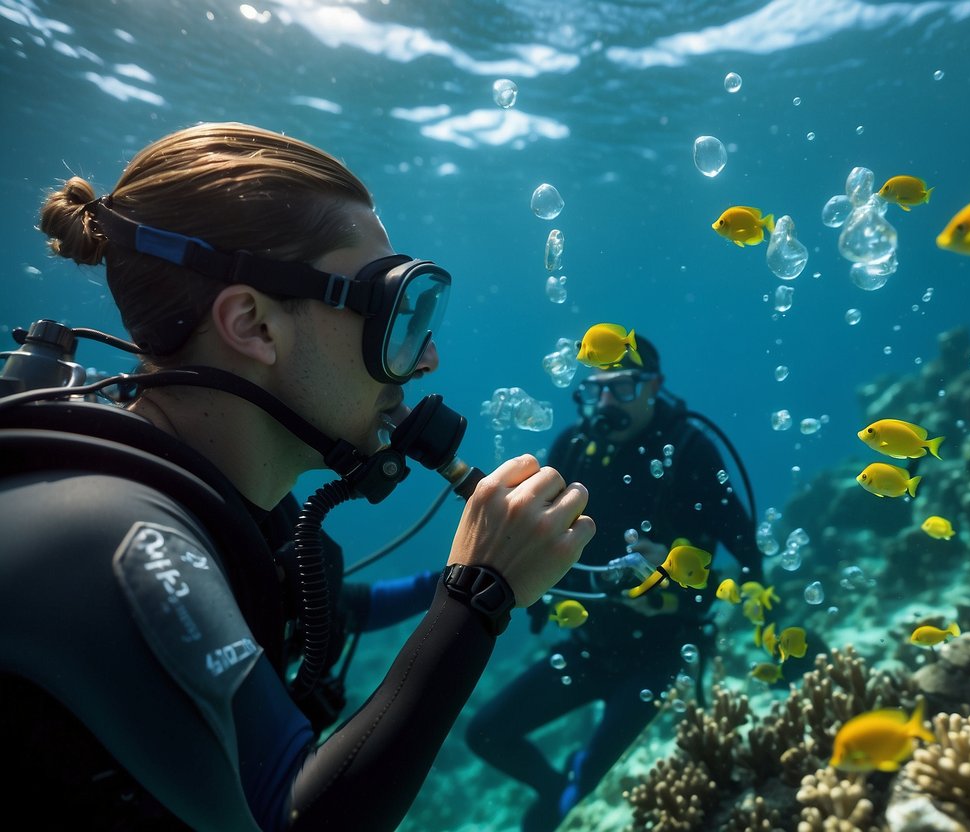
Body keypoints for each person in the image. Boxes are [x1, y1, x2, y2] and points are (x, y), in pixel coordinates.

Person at [0, 122, 594, 831]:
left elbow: (334, 607)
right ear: (252, 325)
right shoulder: (111, 538)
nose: (427, 358)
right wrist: (478, 596)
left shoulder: (219, 509)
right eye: (396, 310)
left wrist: (464, 577)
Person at [466, 335, 765, 831]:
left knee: (575, 799)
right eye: (596, 388)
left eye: (622, 387)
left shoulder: (690, 451)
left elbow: (749, 564)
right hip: (588, 642)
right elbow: (538, 539)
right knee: (485, 734)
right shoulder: (572, 447)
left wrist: (674, 583)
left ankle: (568, 792)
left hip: (662, 654)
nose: (606, 402)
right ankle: (554, 786)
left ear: (655, 386)